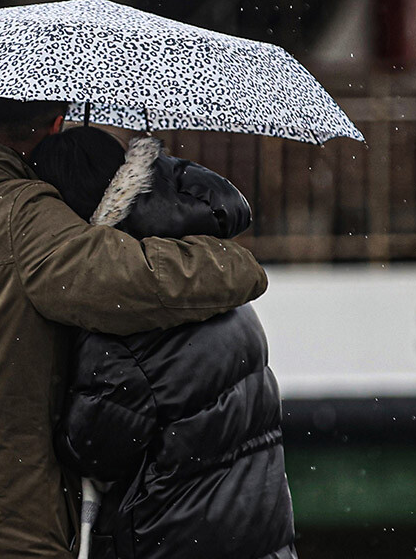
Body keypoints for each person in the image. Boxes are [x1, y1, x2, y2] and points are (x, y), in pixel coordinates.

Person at [0, 95, 269, 559]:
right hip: (6, 539)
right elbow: (133, 282)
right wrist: (234, 263)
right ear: (56, 125)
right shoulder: (22, 214)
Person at [32, 127, 296, 559]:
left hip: (173, 540)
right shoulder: (205, 271)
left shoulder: (123, 322)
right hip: (256, 536)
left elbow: (91, 450)